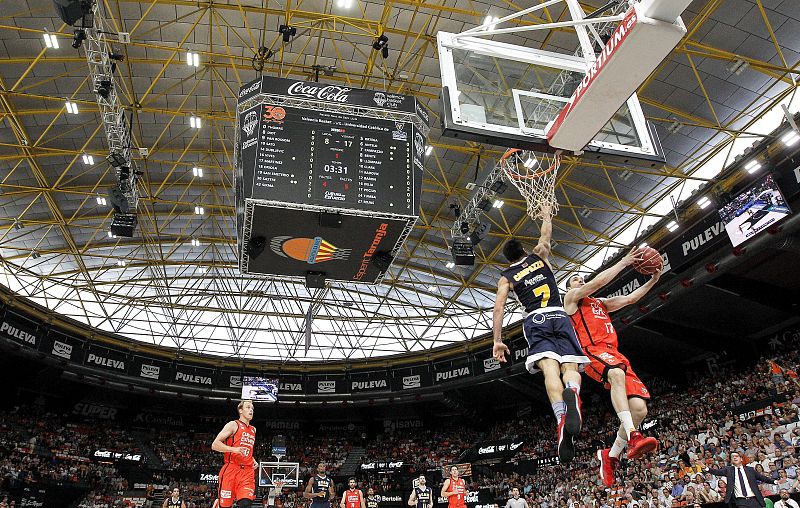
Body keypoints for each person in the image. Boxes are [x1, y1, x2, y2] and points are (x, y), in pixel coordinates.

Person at [493, 206, 590, 463]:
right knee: (571, 365)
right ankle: (574, 393)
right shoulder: (539, 256)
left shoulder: (506, 277)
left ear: (508, 260)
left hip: (535, 319)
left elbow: (500, 306)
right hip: (559, 314)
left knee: (549, 369)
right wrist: (546, 214)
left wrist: (497, 340)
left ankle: (561, 419)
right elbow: (545, 235)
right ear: (524, 251)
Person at [564, 248, 661, 486]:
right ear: (569, 287)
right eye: (576, 279)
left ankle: (612, 455)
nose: (580, 280)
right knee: (615, 374)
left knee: (639, 410)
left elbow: (630, 299)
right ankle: (634, 436)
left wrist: (653, 280)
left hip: (614, 353)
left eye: (581, 278)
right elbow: (597, 282)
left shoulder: (601, 303)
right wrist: (624, 262)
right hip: (592, 351)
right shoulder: (571, 300)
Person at [211, 400, 258, 508]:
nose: (251, 410)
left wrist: (252, 458)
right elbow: (215, 445)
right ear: (240, 410)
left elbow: (247, 448)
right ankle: (218, 503)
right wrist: (234, 449)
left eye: (252, 408)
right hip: (231, 469)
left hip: (247, 471)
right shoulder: (233, 425)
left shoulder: (253, 429)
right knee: (225, 505)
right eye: (248, 407)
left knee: (245, 504)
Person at [704, 452, 776, 508]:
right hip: (740, 501)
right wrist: (706, 468)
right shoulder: (728, 470)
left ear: (741, 459)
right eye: (732, 457)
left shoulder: (750, 470)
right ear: (731, 460)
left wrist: (775, 481)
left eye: (736, 456)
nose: (734, 458)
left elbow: (762, 478)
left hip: (754, 499)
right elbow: (717, 472)